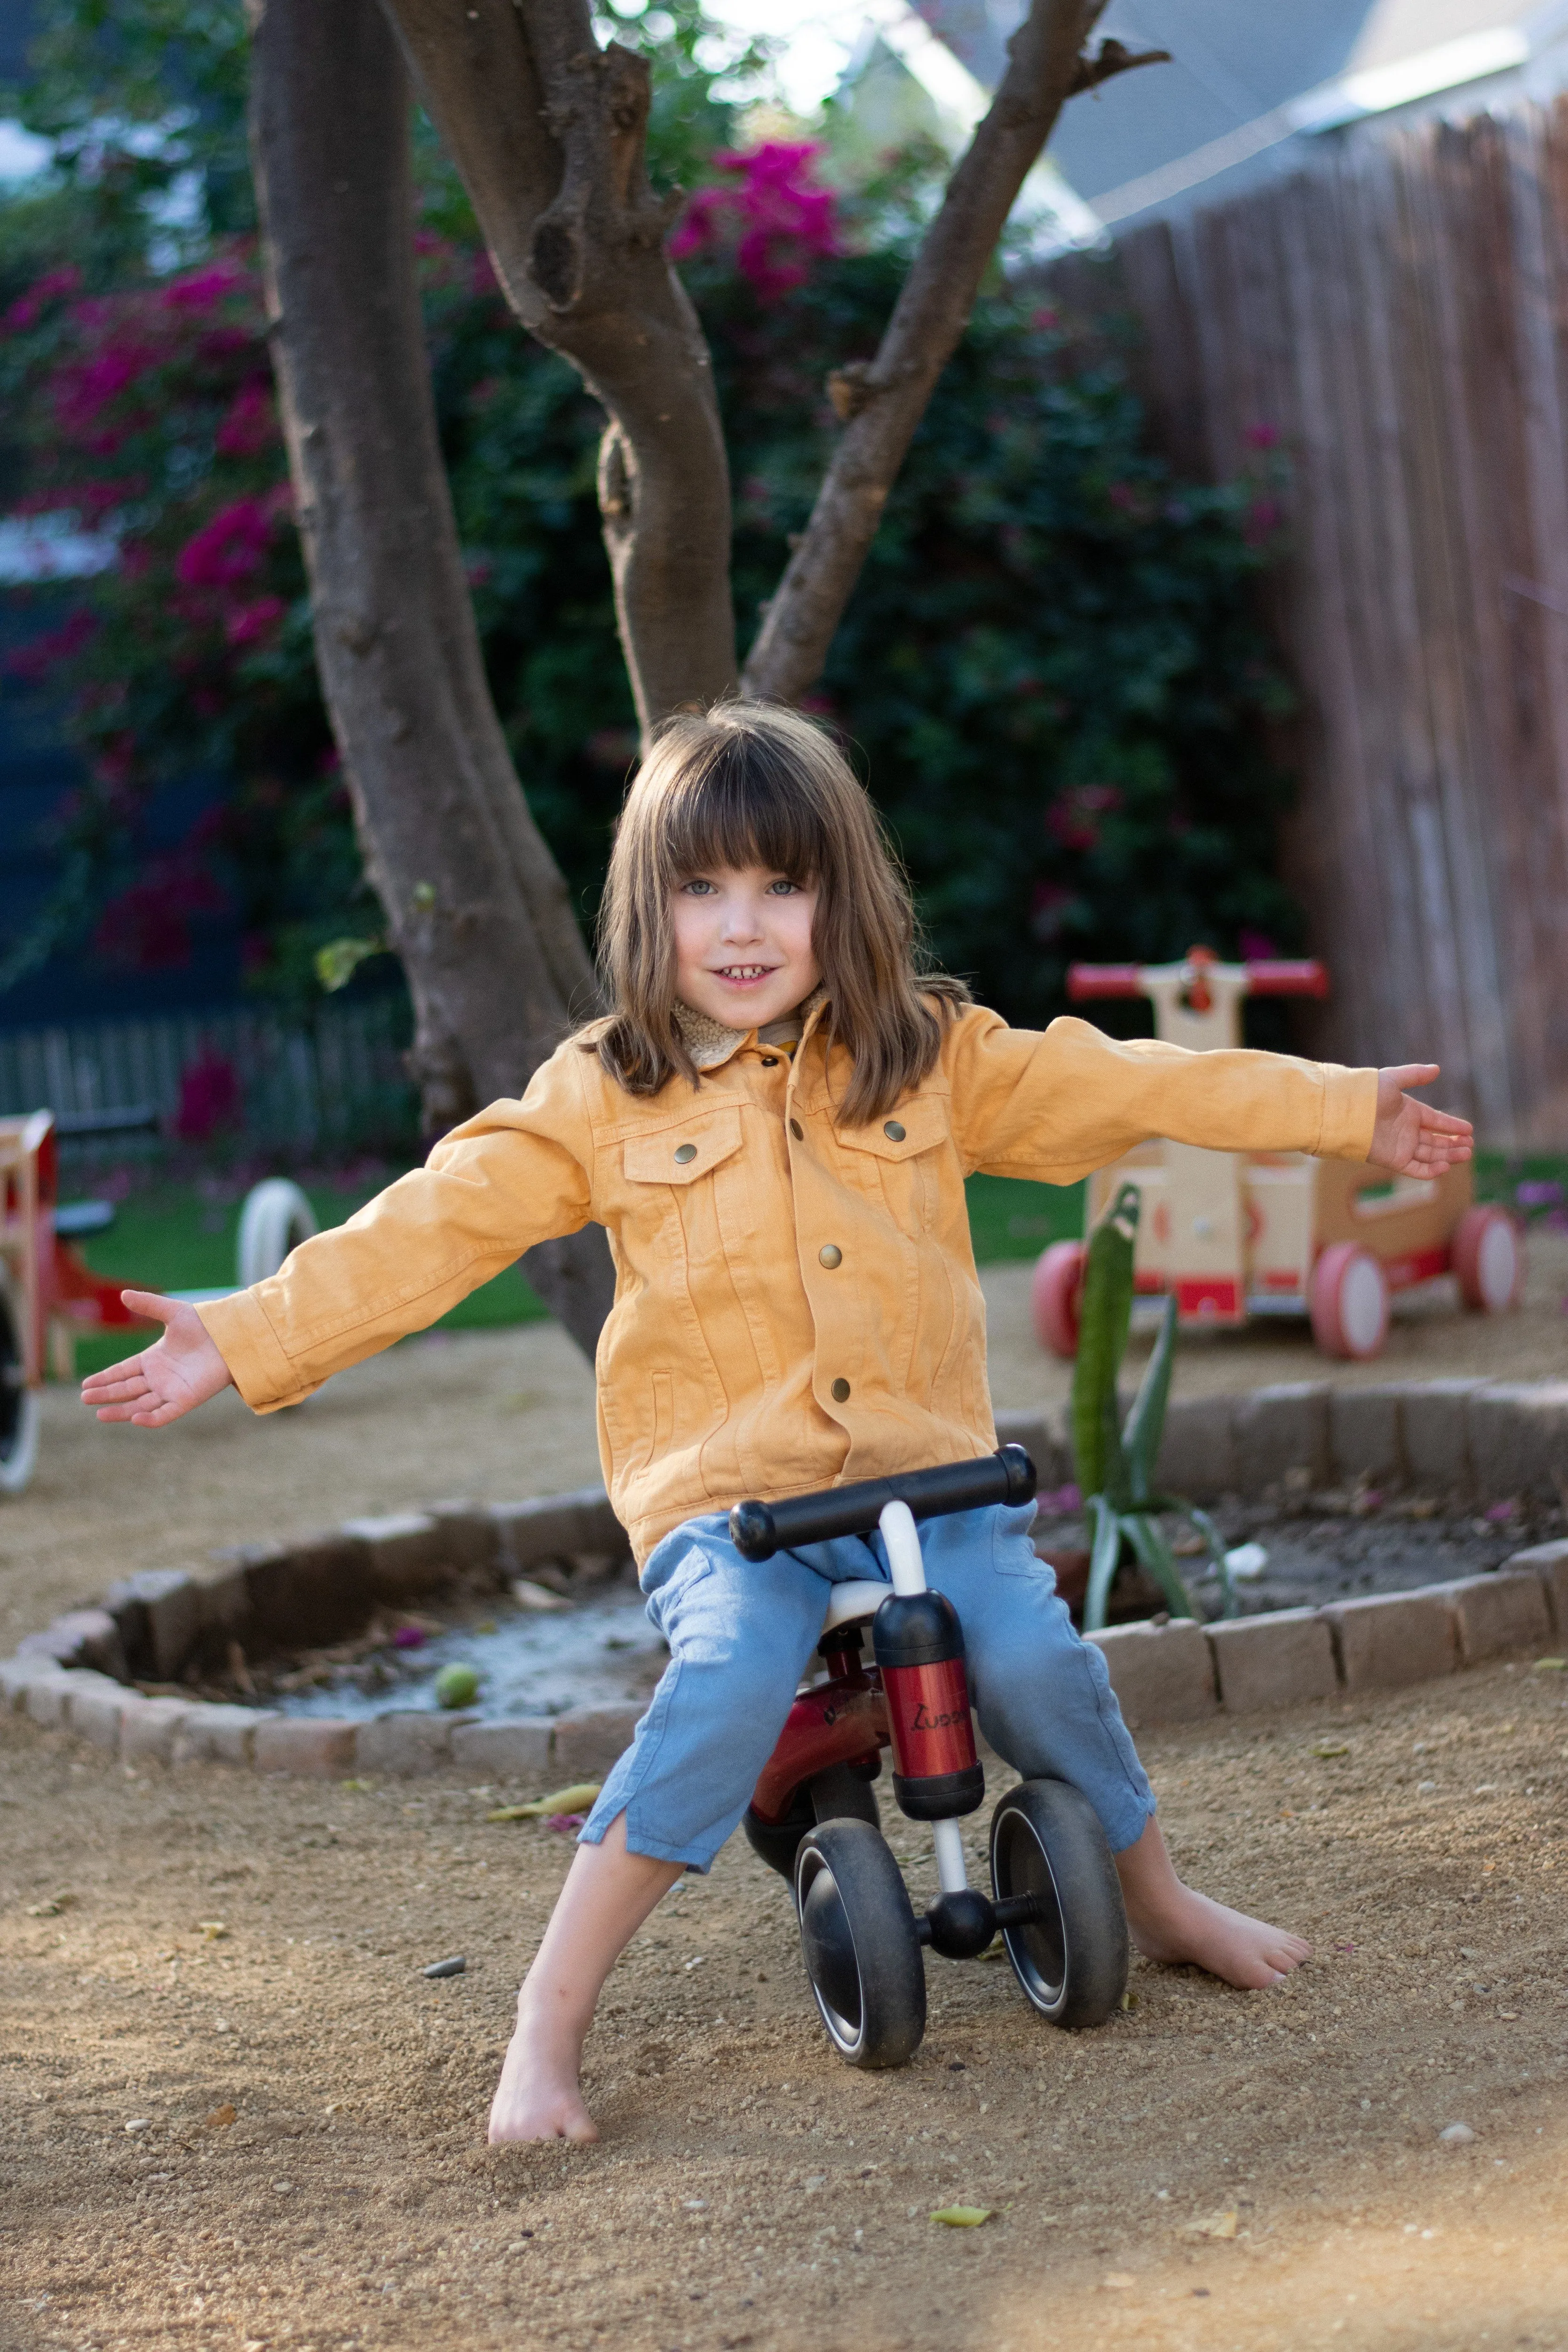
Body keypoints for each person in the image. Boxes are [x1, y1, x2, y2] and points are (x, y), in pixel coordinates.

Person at [82, 702, 1473, 2146]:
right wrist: (245, 1336)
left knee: (1036, 1657)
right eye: (702, 890)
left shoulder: (926, 1056)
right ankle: (549, 2018)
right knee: (727, 1681)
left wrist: (1333, 1111)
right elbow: (433, 1226)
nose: (741, 928)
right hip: (728, 1504)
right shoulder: (604, 1092)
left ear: (840, 899)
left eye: (780, 885)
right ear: (650, 906)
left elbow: (1123, 1081)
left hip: (928, 1484)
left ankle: (1157, 1899)